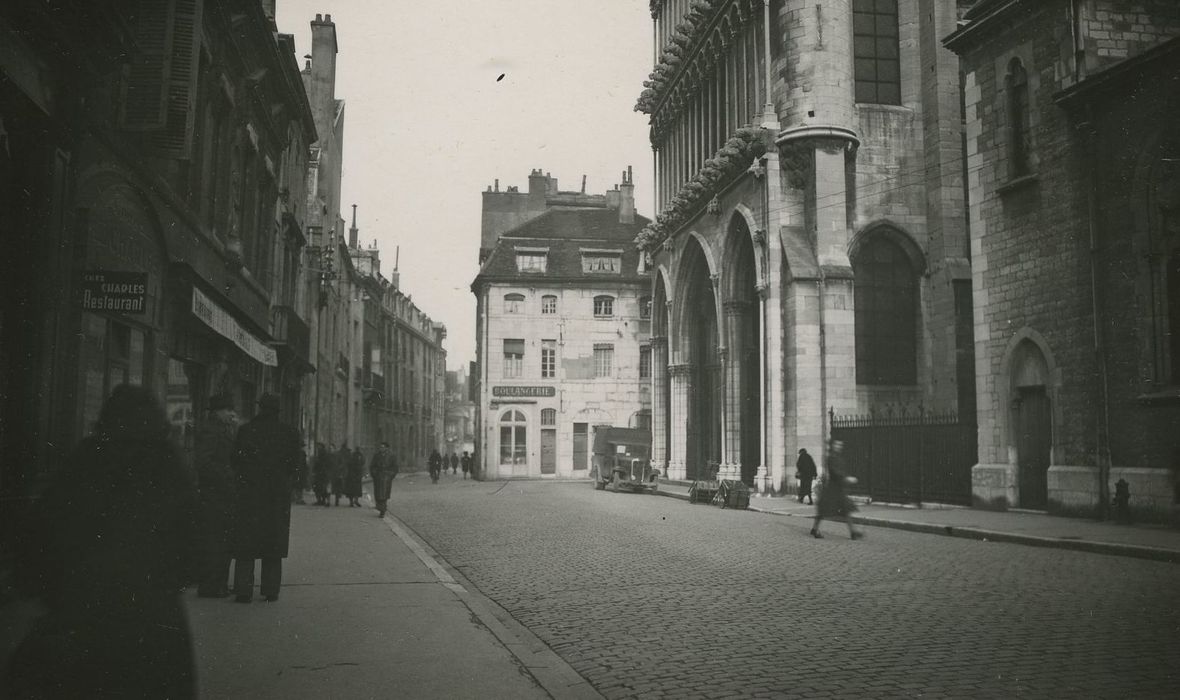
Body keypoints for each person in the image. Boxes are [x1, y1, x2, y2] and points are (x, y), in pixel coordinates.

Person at [9, 385, 197, 698]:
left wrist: (54, 594)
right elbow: (197, 550)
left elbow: (37, 538)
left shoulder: (84, 460)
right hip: (153, 627)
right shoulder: (168, 466)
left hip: (81, 620)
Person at [231, 393, 302, 602]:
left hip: (249, 495)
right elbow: (294, 465)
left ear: (259, 408)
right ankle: (271, 590)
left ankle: (243, 590)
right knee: (274, 543)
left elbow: (235, 460)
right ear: (277, 411)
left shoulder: (245, 431)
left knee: (246, 544)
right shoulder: (289, 433)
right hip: (276, 496)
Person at [194, 393, 238, 598]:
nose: (232, 414)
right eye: (228, 410)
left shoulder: (221, 429)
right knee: (215, 541)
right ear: (217, 412)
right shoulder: (210, 431)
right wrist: (229, 476)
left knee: (222, 540)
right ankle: (211, 585)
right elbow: (204, 462)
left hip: (222, 494)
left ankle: (218, 584)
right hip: (214, 495)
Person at [811, 439, 863, 540]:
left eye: (840, 445)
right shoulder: (831, 458)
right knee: (824, 510)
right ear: (832, 446)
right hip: (832, 488)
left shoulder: (838, 457)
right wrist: (846, 478)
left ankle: (853, 532)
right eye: (836, 445)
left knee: (846, 510)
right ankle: (815, 529)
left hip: (839, 488)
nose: (839, 447)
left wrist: (845, 478)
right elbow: (835, 472)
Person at [369, 441, 399, 517]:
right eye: (380, 447)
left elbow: (395, 467)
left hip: (386, 477)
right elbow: (372, 466)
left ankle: (383, 509)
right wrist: (374, 474)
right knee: (378, 494)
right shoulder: (377, 456)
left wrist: (390, 475)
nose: (381, 449)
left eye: (382, 447)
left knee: (384, 494)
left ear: (387, 448)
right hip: (378, 477)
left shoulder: (392, 456)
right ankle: (380, 507)